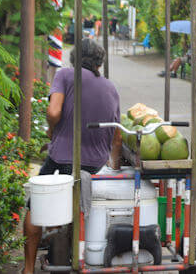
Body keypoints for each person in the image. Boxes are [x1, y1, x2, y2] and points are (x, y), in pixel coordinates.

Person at [23, 39, 122, 274]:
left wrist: (50, 130)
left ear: (75, 59)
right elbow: (117, 137)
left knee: (35, 206)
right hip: (96, 165)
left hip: (63, 159)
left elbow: (54, 111)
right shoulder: (111, 87)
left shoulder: (65, 76)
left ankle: (27, 269)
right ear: (99, 62)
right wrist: (113, 165)